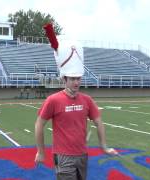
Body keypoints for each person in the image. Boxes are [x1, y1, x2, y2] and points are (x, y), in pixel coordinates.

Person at [35, 23, 118, 180]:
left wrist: (104, 146)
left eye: (78, 78)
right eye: (72, 78)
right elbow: (39, 124)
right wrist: (40, 151)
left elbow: (99, 122)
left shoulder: (87, 100)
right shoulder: (53, 100)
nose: (76, 82)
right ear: (64, 79)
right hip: (63, 157)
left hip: (82, 155)